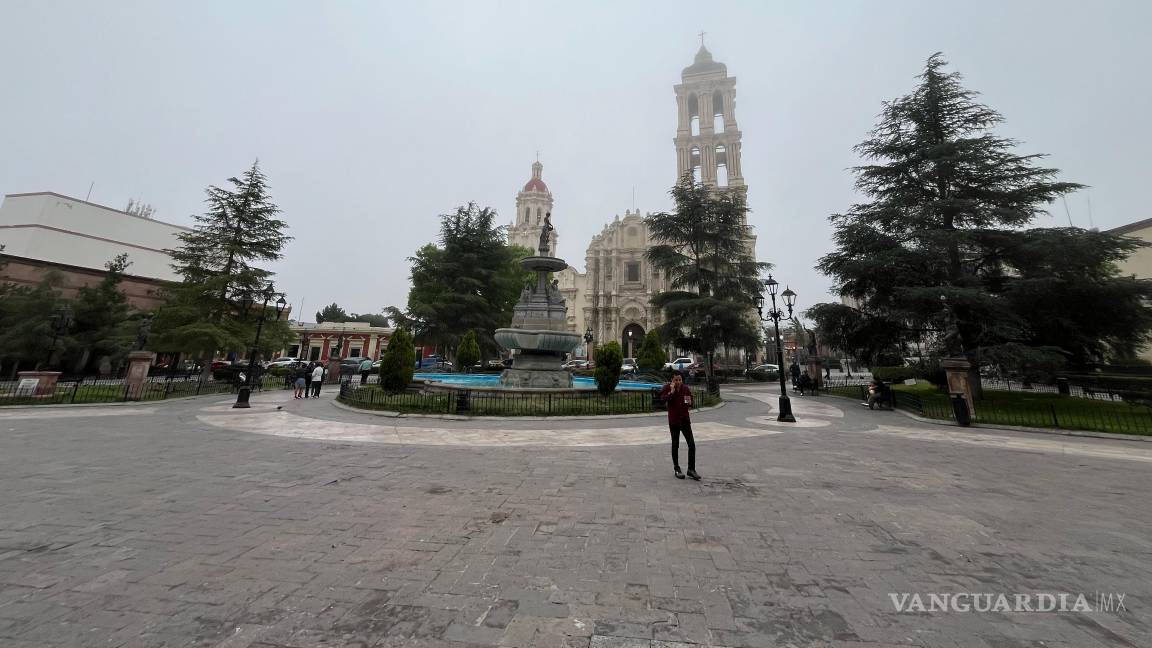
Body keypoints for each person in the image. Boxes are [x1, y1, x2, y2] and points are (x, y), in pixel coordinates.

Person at [659, 371, 700, 481]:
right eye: (676, 380)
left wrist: (690, 402)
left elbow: (690, 401)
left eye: (680, 380)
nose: (678, 382)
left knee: (691, 444)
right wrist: (671, 392)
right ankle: (677, 469)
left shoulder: (685, 388)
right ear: (672, 380)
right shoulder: (667, 388)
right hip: (674, 421)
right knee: (675, 445)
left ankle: (691, 469)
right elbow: (662, 400)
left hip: (685, 420)